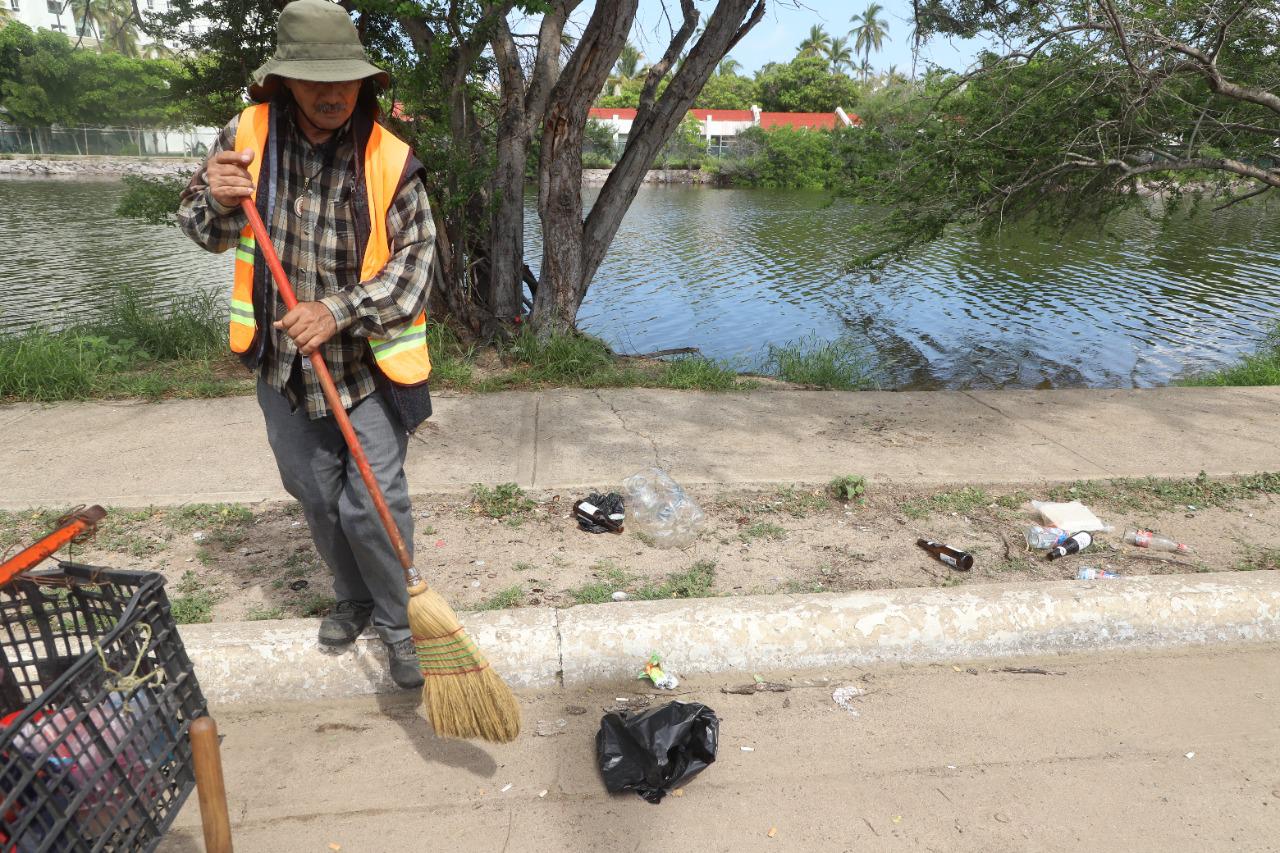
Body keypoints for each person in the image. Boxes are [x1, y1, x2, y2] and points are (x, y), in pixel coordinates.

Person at [178, 0, 435, 688]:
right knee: (316, 496)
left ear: (363, 83)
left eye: (344, 80)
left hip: (368, 369)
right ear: (283, 80)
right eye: (313, 79)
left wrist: (338, 309)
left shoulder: (390, 158)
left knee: (372, 499)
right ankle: (351, 594)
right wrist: (219, 198)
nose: (331, 94)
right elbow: (201, 229)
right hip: (284, 368)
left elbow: (413, 275)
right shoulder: (245, 134)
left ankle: (399, 619)